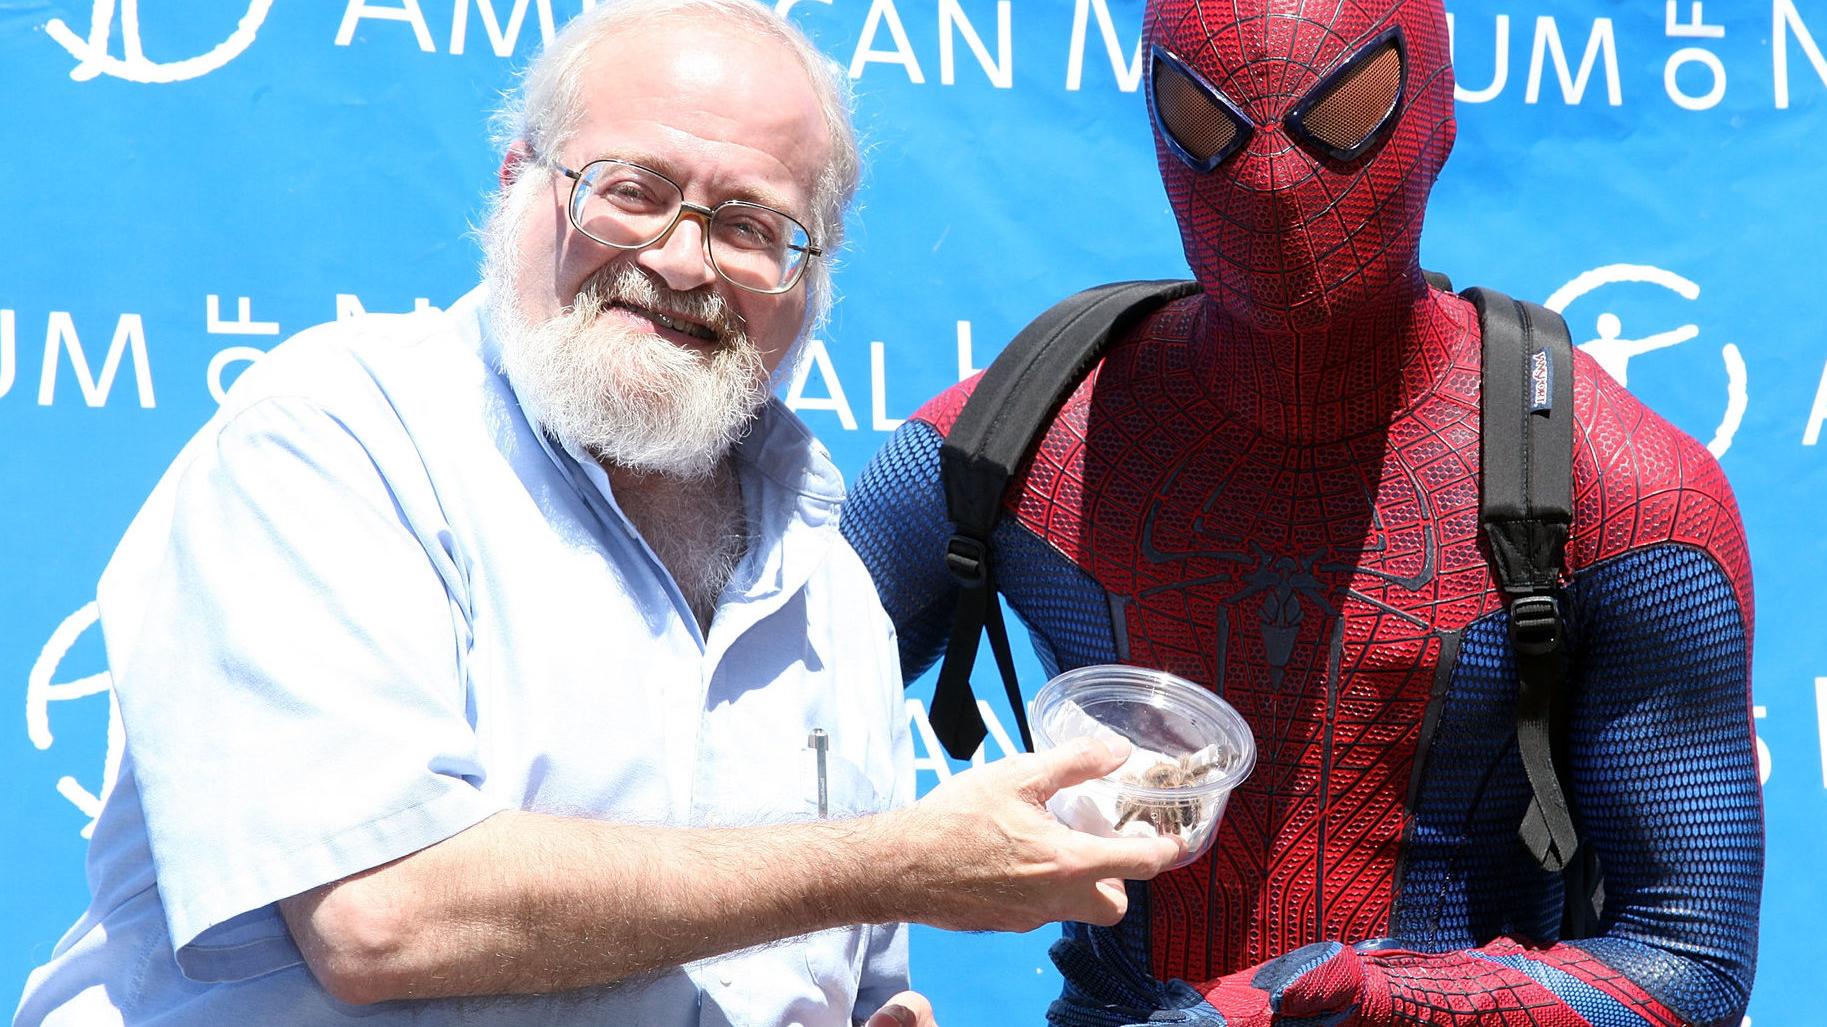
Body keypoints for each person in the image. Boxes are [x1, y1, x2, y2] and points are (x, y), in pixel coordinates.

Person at [12, 2, 1184, 1024]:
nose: (683, 261)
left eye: (746, 224)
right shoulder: (336, 438)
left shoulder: (834, 597)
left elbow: (833, 961)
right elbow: (380, 917)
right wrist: (893, 863)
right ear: (518, 181)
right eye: (634, 192)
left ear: (808, 275)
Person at [841, 0, 1763, 1024]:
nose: (1274, 184)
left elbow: (1691, 961)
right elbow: (729, 770)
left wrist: (1379, 997)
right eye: (1210, 121)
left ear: (1440, 116)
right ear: (1153, 122)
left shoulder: (1618, 490)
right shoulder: (1013, 442)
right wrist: (876, 900)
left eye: (1344, 112)